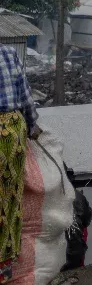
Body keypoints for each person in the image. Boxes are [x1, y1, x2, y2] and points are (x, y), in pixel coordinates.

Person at [1, 44, 39, 282]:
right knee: (8, 203)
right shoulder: (7, 53)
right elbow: (26, 99)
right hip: (10, 133)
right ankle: (3, 272)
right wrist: (32, 125)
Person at [62, 167, 92, 271]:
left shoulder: (44, 198)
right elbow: (87, 220)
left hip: (56, 257)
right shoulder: (78, 196)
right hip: (76, 252)